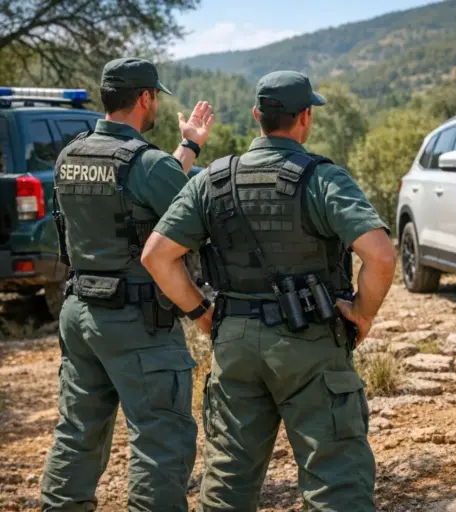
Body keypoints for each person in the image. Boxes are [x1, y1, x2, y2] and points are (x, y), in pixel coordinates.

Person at [141, 70, 397, 511]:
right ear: (306, 118)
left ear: (258, 115)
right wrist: (363, 312)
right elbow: (381, 256)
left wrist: (202, 313)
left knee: (228, 482)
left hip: (236, 344)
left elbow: (157, 257)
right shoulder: (323, 178)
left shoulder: (213, 181)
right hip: (311, 344)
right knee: (336, 481)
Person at [41, 57, 215, 512]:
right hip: (135, 319)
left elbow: (142, 186)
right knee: (161, 438)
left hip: (79, 313)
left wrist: (187, 147)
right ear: (145, 98)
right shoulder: (148, 163)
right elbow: (179, 206)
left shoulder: (70, 156)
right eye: (155, 95)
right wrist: (190, 152)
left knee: (78, 433)